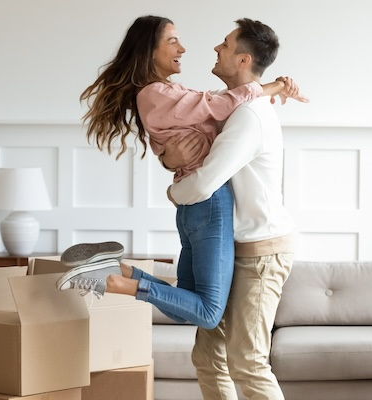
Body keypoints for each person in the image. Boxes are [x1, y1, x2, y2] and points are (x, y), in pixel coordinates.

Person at [55, 15, 306, 331]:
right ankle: (113, 282)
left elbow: (213, 115)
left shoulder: (164, 94)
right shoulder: (157, 93)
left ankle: (113, 268)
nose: (183, 48)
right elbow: (218, 104)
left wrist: (273, 87)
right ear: (149, 51)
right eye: (172, 41)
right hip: (209, 204)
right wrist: (271, 86)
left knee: (181, 306)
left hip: (197, 209)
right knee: (208, 313)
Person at [163, 18, 299, 400]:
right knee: (208, 359)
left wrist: (173, 194)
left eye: (224, 44)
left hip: (260, 254)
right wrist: (170, 159)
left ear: (242, 59)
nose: (215, 49)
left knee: (247, 361)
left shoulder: (249, 117)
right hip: (231, 249)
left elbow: (204, 182)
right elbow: (188, 150)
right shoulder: (236, 107)